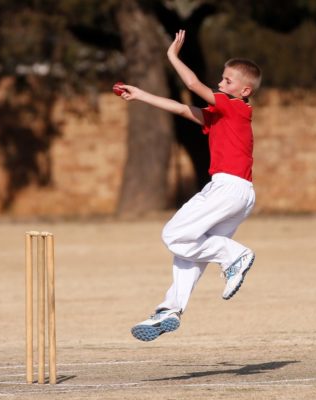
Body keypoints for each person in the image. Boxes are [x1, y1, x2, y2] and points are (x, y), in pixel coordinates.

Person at [116, 29, 262, 342]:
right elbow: (183, 109)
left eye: (227, 81)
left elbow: (193, 85)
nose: (220, 85)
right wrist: (141, 95)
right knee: (189, 251)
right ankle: (170, 309)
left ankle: (234, 255)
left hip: (227, 188)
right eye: (221, 79)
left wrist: (172, 56)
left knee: (173, 234)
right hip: (238, 193)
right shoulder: (222, 115)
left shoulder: (235, 107)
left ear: (245, 90)